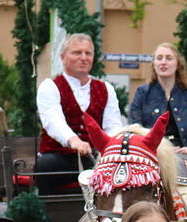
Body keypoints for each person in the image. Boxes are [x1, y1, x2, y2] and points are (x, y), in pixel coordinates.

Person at [35, 33, 123, 195]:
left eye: (88, 53)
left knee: (120, 170)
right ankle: (49, 216)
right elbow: (53, 120)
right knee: (45, 166)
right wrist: (73, 140)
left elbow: (113, 125)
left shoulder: (106, 88)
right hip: (60, 156)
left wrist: (112, 148)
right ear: (62, 57)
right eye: (77, 53)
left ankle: (110, 216)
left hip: (95, 156)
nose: (83, 57)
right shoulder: (50, 86)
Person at [129, 43, 187, 189]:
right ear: (154, 64)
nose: (163, 62)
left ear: (178, 64)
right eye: (159, 58)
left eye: (169, 58)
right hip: (153, 155)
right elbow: (135, 128)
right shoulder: (142, 93)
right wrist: (160, 149)